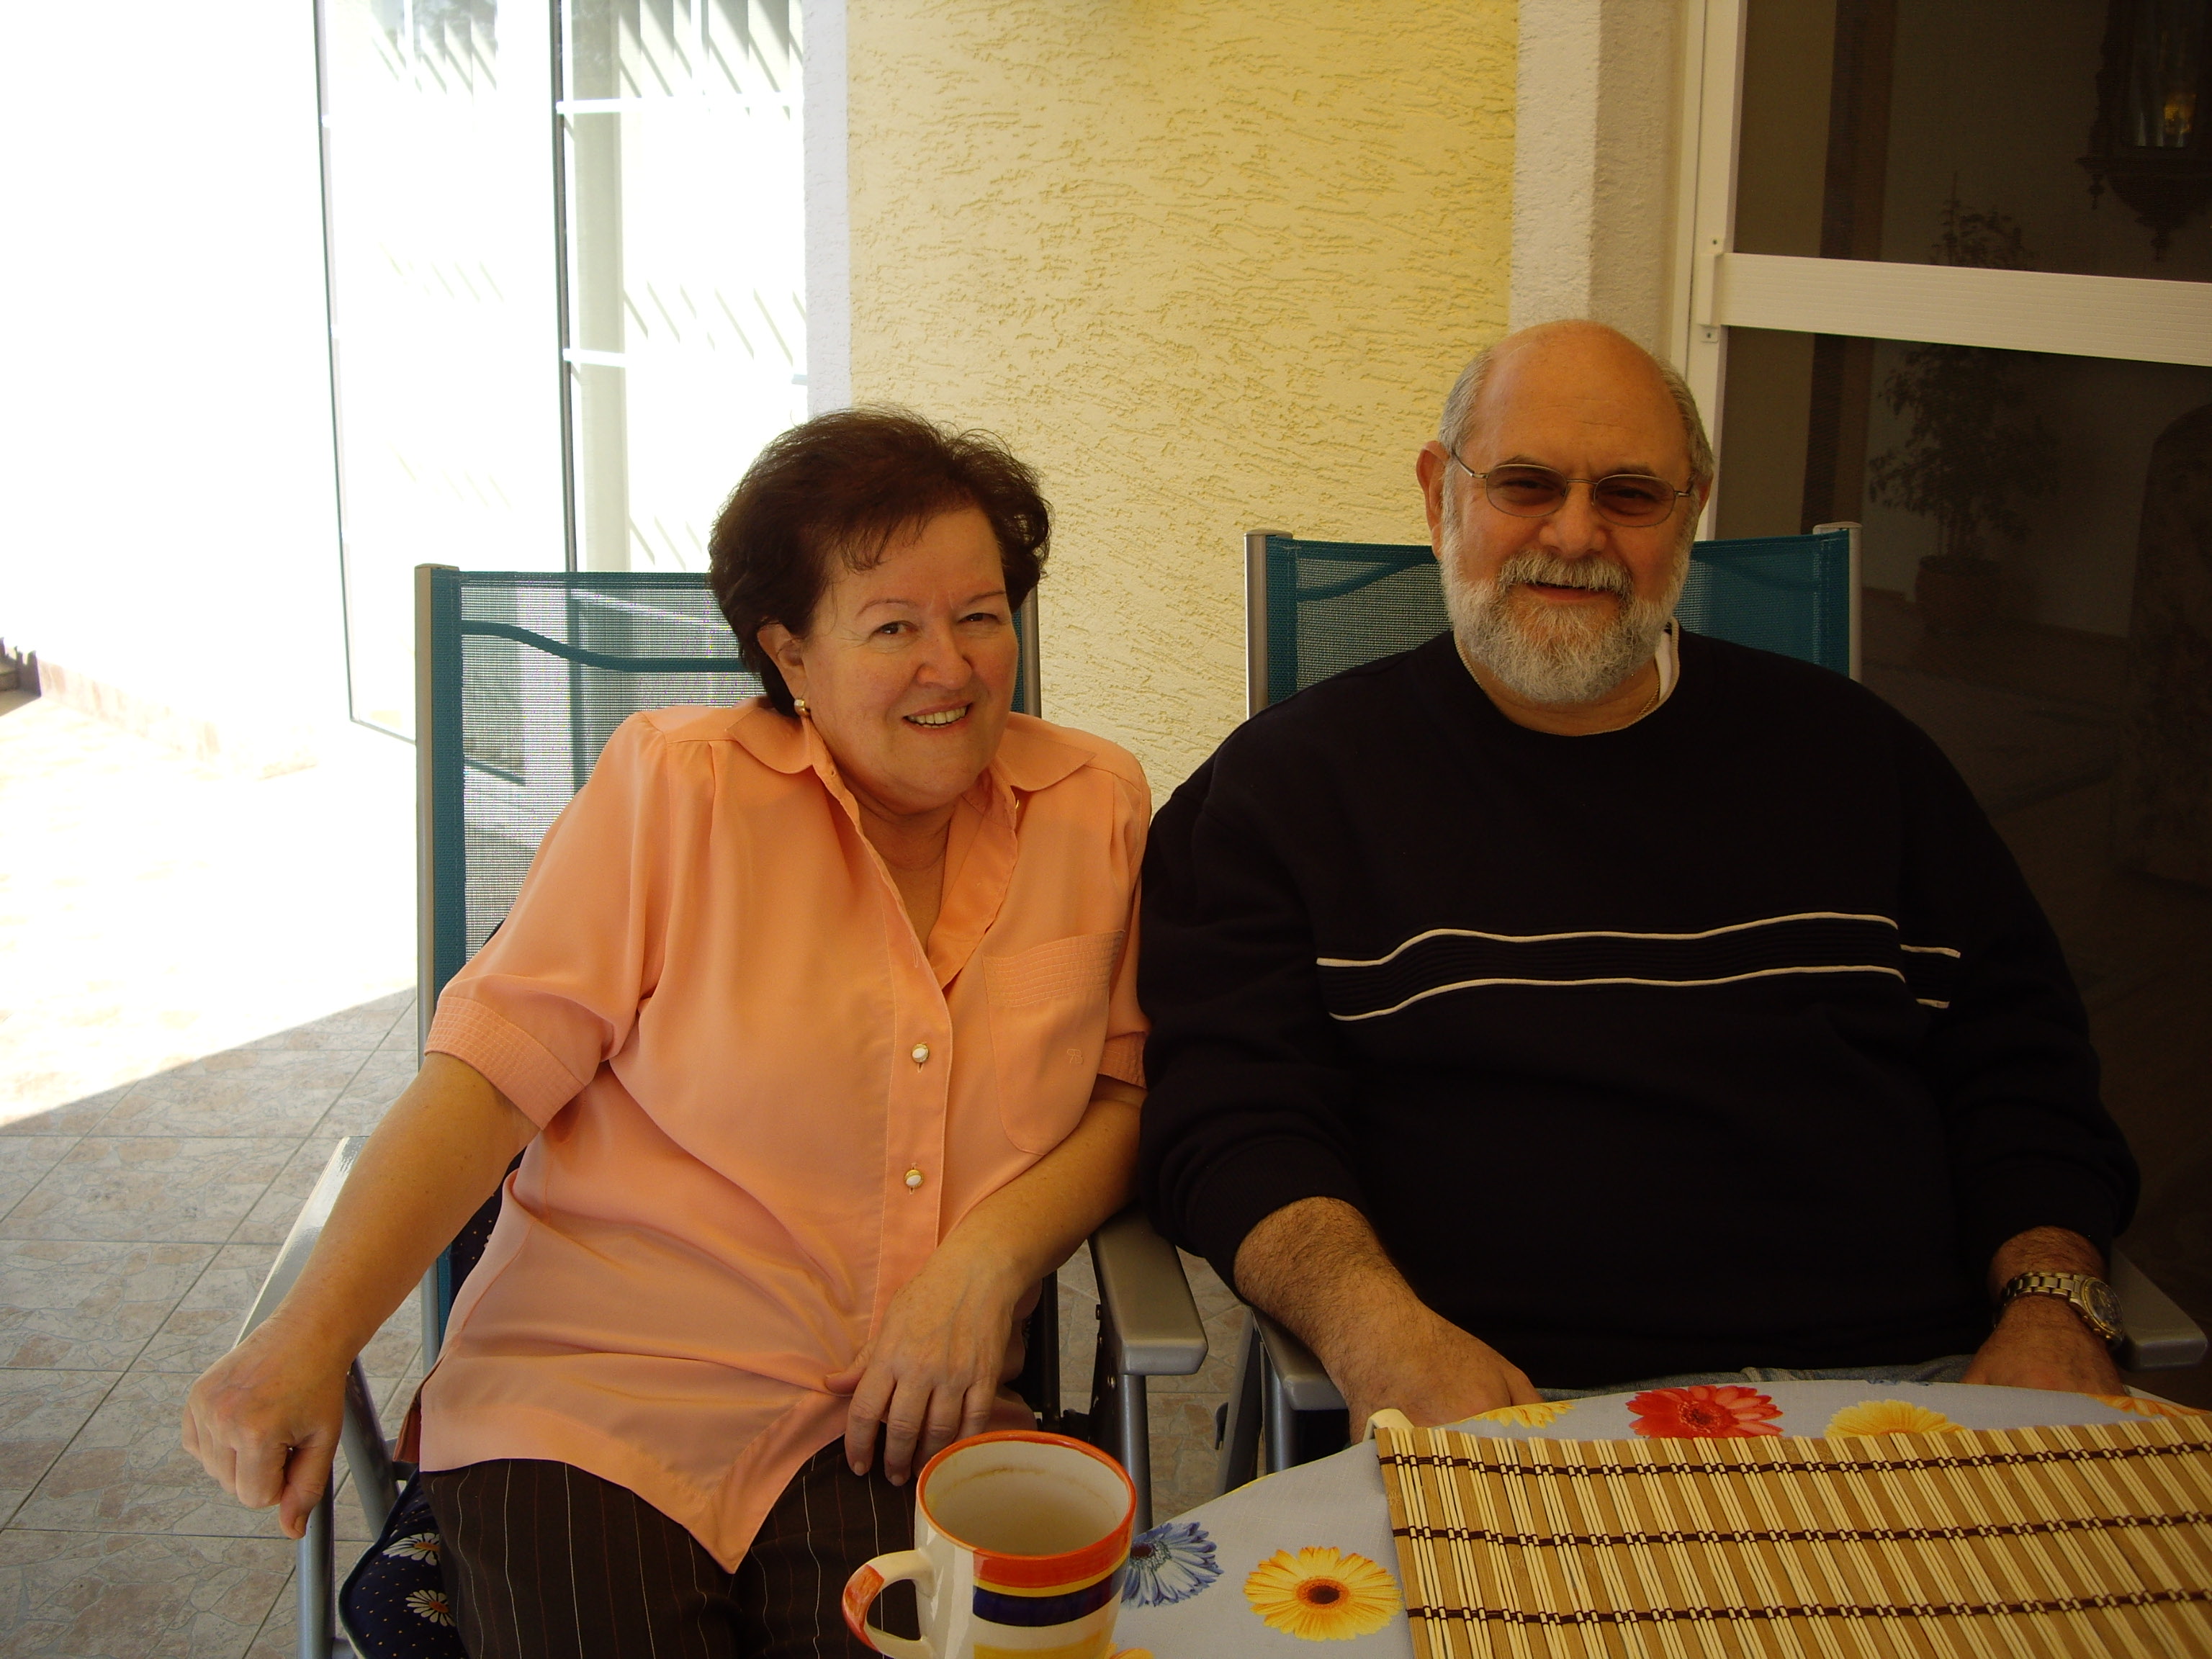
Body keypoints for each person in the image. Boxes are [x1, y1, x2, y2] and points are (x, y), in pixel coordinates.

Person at [184, 408, 1151, 1655]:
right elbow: (490, 1079)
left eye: (980, 615)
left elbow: (1127, 1095)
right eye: (892, 628)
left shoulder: (1093, 805)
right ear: (790, 654)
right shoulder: (675, 789)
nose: (952, 667)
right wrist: (310, 1335)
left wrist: (987, 1265)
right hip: (592, 1400)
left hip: (897, 1405)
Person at [1138, 320, 2140, 1432]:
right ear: (1438, 495)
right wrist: (1375, 1330)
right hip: (1501, 1401)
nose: (1575, 535)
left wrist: (2054, 1303)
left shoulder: (1867, 761)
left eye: (1629, 494)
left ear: (1691, 510)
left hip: (1907, 1388)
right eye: (1525, 484)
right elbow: (1229, 1115)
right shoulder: (1285, 791)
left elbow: (2024, 1066)